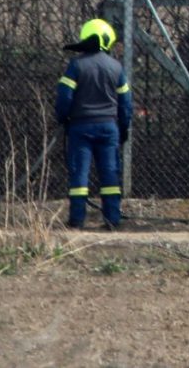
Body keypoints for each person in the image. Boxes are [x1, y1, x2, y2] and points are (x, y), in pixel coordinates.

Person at [55, 19, 133, 229]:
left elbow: (64, 97)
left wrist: (63, 118)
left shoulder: (76, 65)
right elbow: (125, 104)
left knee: (79, 174)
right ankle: (112, 220)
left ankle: (77, 220)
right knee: (110, 173)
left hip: (80, 127)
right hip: (109, 128)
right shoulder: (116, 68)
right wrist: (123, 128)